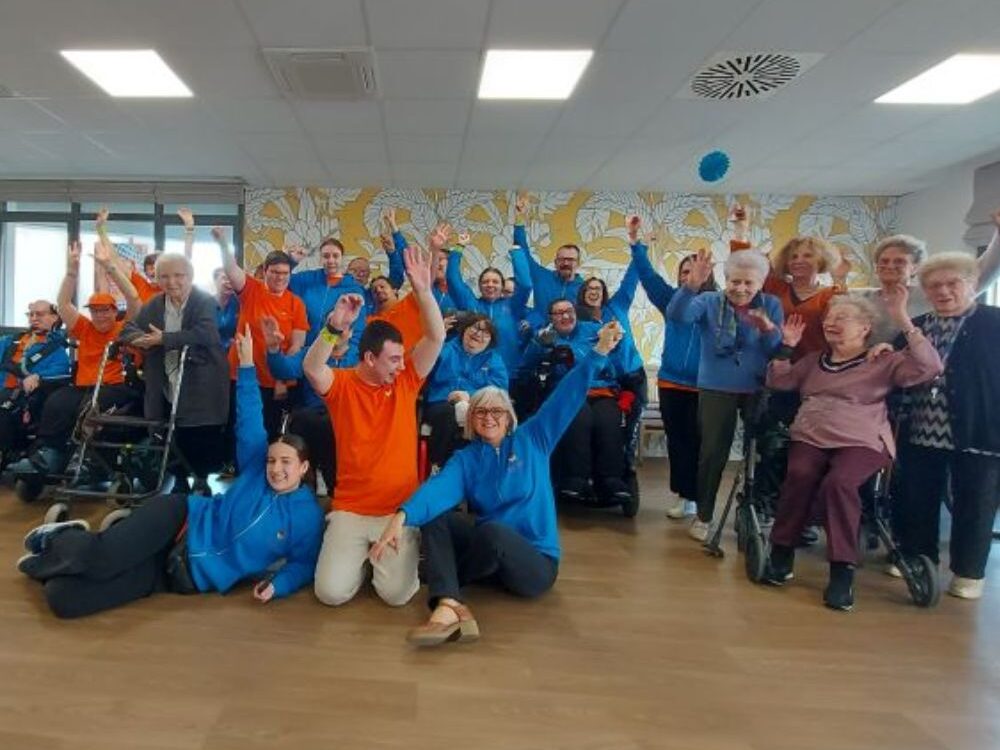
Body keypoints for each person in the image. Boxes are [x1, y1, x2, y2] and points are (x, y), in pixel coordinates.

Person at [16, 325, 324, 618]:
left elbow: (304, 562)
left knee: (65, 600)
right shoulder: (257, 469)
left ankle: (72, 552)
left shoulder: (307, 515)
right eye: (272, 460)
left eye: (286, 462)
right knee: (103, 560)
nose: (276, 468)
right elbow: (250, 418)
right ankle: (62, 541)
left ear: (304, 467)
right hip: (182, 519)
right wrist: (246, 366)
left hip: (183, 574)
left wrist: (278, 585)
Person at [371, 321, 623, 646]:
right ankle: (448, 604)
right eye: (480, 412)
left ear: (508, 417)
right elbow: (439, 490)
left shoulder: (534, 439)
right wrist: (401, 517)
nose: (489, 417)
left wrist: (599, 351)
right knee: (438, 516)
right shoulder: (468, 458)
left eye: (496, 411)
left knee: (492, 531)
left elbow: (567, 396)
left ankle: (446, 580)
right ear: (471, 420)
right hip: (491, 556)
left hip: (533, 564)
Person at [762, 294, 942, 610]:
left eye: (842, 317)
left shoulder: (884, 360)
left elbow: (929, 367)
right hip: (811, 435)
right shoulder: (814, 360)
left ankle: (842, 569)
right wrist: (786, 346)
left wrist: (903, 319)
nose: (831, 322)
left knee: (840, 483)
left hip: (863, 440)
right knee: (799, 475)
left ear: (865, 327)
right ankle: (781, 552)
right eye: (830, 317)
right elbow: (780, 382)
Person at [305, 243, 446, 607]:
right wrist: (334, 328)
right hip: (351, 507)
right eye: (394, 359)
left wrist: (424, 292)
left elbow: (436, 337)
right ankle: (360, 561)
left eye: (403, 358)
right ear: (369, 358)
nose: (402, 365)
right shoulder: (344, 384)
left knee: (396, 596)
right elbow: (312, 369)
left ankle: (383, 563)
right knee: (330, 594)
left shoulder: (407, 380)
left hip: (396, 510)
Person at [893, 252, 1000, 601]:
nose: (943, 291)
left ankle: (968, 571)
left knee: (977, 500)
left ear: (972, 284)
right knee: (916, 496)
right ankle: (917, 557)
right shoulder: (915, 327)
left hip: (980, 428)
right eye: (934, 285)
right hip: (921, 426)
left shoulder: (993, 322)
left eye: (952, 283)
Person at [666, 248, 783, 541]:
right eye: (735, 281)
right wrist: (691, 284)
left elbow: (777, 350)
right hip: (716, 387)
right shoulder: (707, 301)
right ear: (726, 279)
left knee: (757, 455)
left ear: (760, 284)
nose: (740, 289)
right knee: (711, 454)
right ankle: (704, 516)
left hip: (757, 388)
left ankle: (751, 513)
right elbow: (677, 316)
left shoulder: (771, 304)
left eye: (749, 283)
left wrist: (768, 329)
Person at [9, 234, 141, 476]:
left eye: (105, 311)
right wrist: (72, 271)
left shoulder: (124, 327)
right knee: (57, 401)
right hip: (84, 385)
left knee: (88, 407)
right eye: (95, 311)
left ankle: (89, 460)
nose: (100, 316)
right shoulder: (84, 328)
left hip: (115, 385)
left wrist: (109, 266)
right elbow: (62, 303)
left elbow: (133, 298)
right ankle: (50, 455)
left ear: (114, 312)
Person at [122, 253, 230, 494]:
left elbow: (208, 334)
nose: (172, 282)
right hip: (165, 379)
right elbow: (127, 330)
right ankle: (179, 480)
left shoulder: (203, 301)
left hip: (201, 379)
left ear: (190, 276)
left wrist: (164, 339)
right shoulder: (154, 304)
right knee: (171, 431)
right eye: (164, 276)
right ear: (157, 279)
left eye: (178, 276)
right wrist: (143, 340)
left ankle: (200, 479)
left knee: (198, 432)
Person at [632, 240, 716, 520]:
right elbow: (648, 276)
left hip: (704, 387)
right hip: (670, 383)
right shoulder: (671, 300)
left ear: (707, 274)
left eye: (694, 272)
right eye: (683, 272)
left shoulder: (718, 303)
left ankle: (701, 498)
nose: (687, 277)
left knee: (700, 444)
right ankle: (685, 496)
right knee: (678, 443)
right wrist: (636, 245)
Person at [521, 300, 630, 504]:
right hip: (567, 393)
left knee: (608, 421)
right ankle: (576, 478)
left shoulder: (595, 329)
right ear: (551, 318)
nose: (565, 316)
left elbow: (616, 358)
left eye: (569, 311)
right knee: (579, 419)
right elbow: (527, 364)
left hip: (601, 389)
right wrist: (538, 344)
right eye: (558, 313)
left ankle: (611, 479)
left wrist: (616, 338)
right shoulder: (546, 336)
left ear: (576, 313)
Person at [213, 227, 308, 439]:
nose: (280, 277)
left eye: (285, 273)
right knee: (238, 429)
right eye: (275, 272)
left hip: (273, 382)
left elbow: (296, 345)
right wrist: (222, 243)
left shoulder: (296, 304)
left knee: (269, 433)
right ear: (265, 271)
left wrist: (282, 380)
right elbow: (231, 269)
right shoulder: (251, 289)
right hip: (241, 375)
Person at [858, 208, 1000, 344]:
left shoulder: (930, 293)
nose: (890, 266)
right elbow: (837, 300)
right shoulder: (862, 296)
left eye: (899, 261)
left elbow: (983, 271)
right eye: (884, 261)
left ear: (915, 268)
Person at [422, 314, 508, 470]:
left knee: (485, 418)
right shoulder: (445, 348)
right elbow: (422, 369)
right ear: (464, 329)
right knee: (448, 414)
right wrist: (434, 337)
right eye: (475, 327)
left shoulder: (494, 359)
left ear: (490, 340)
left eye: (485, 332)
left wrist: (470, 395)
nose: (478, 334)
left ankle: (481, 468)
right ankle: (438, 465)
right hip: (441, 401)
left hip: (477, 404)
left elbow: (500, 390)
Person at [446, 227, 532, 374]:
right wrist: (459, 248)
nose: (490, 285)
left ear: (502, 286)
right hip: (474, 374)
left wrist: (517, 252)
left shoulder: (513, 306)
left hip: (508, 374)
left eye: (495, 281)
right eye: (485, 282)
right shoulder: (471, 305)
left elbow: (525, 284)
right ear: (479, 286)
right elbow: (453, 280)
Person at [0, 301, 71, 464]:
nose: (34, 318)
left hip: (23, 396)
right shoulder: (10, 341)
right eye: (31, 314)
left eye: (39, 314)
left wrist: (38, 376)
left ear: (55, 317)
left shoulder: (57, 351)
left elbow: (59, 372)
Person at [514, 193, 583, 313]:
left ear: (578, 263)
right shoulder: (541, 277)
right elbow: (523, 252)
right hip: (540, 331)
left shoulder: (584, 289)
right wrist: (520, 218)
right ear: (555, 263)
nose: (566, 262)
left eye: (571, 260)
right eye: (562, 259)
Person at [213, 268, 239, 352]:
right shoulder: (205, 304)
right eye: (225, 278)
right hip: (210, 354)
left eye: (232, 279)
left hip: (234, 353)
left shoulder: (239, 304)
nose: (229, 282)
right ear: (215, 280)